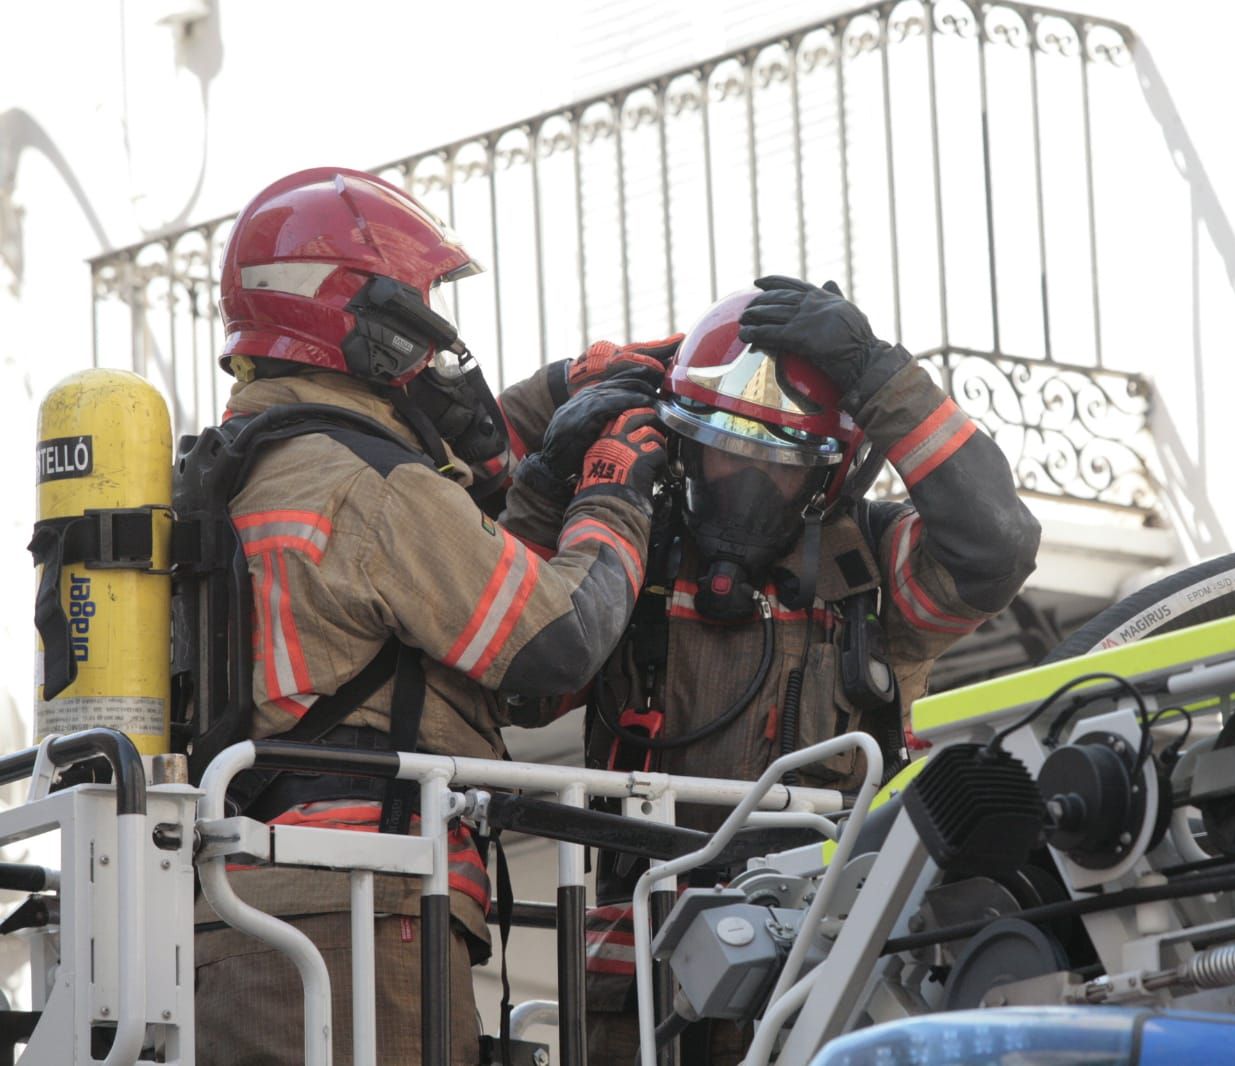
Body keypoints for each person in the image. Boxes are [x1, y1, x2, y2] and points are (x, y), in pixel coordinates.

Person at [188, 167, 665, 1065]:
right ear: (365, 321)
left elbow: (451, 500)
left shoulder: (243, 469)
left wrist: (559, 389)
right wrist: (614, 494)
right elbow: (556, 639)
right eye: (421, 304)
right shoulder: (375, 488)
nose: (436, 345)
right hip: (363, 915)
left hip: (233, 916)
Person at [498, 276, 1042, 1063]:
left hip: (830, 982)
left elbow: (996, 544)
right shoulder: (624, 566)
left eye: (780, 463)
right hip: (643, 1001)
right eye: (724, 455)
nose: (745, 488)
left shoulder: (877, 574)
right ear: (681, 445)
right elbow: (519, 683)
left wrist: (878, 374)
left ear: (834, 477)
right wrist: (547, 487)